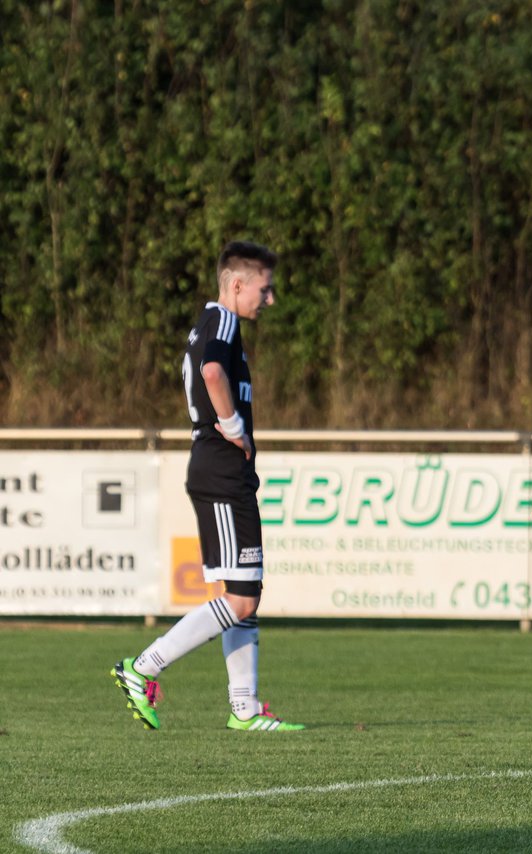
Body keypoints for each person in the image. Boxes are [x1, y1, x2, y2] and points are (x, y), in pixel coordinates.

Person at [111, 241, 304, 733]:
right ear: (236, 284)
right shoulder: (221, 320)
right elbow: (212, 371)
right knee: (240, 598)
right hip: (220, 470)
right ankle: (143, 668)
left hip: (224, 473)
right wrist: (234, 425)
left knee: (245, 591)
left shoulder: (218, 323)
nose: (271, 299)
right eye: (266, 289)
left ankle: (245, 708)